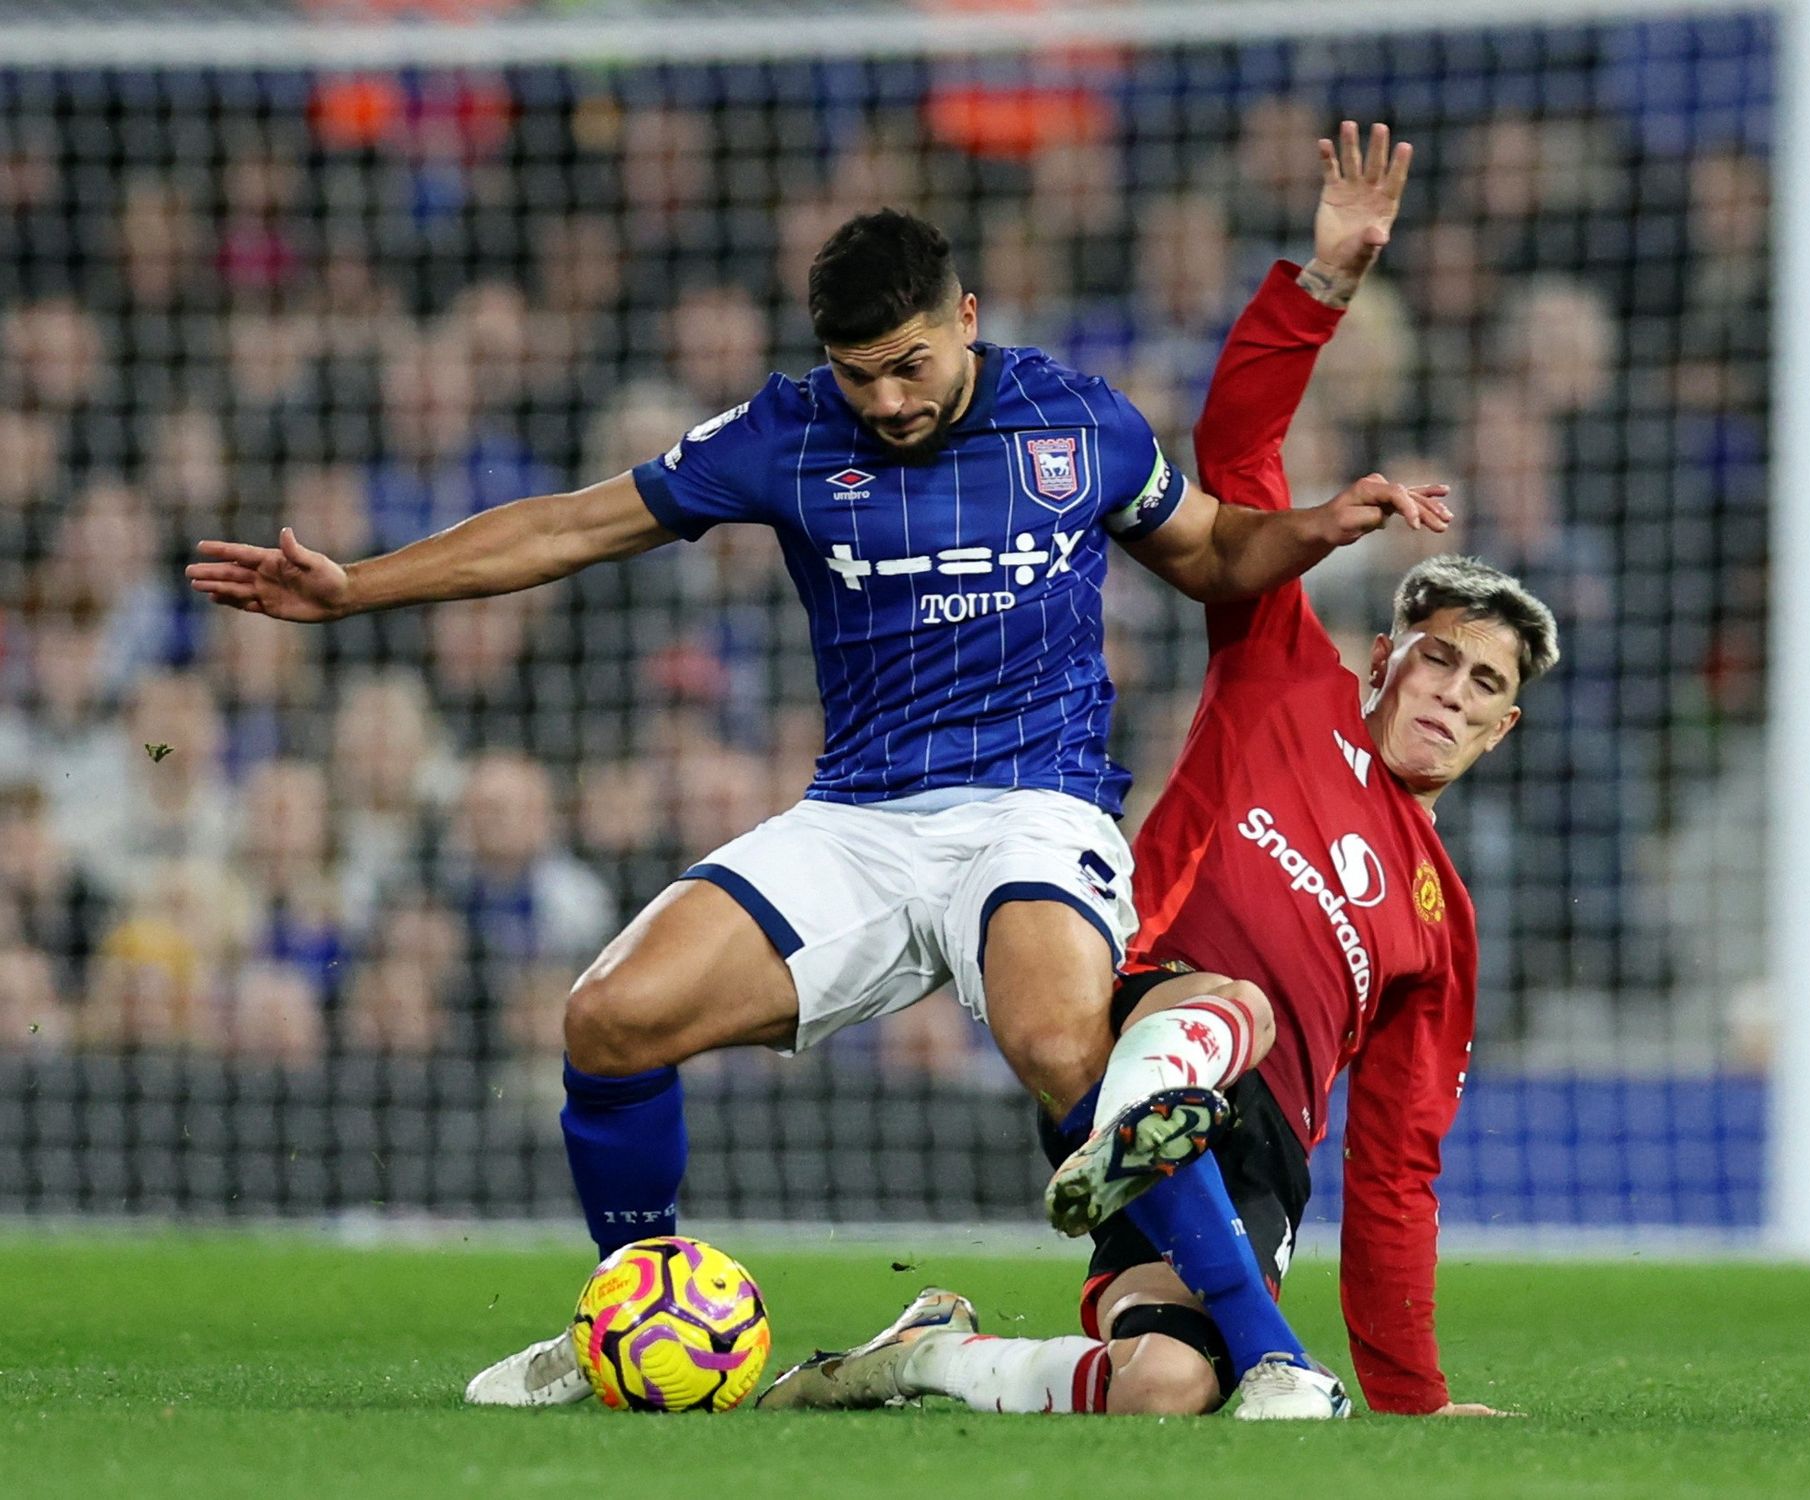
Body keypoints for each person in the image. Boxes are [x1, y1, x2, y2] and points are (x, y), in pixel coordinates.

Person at [182, 156, 1452, 1408]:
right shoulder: (784, 433)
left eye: (911, 365)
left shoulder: (1077, 422)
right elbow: (574, 523)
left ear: (965, 320)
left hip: (1033, 808)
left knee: (1064, 1041)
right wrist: (361, 587)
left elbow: (1218, 557)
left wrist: (1312, 528)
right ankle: (635, 1315)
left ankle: (1276, 1359)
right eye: (862, 375)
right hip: (858, 818)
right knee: (608, 1020)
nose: (890, 401)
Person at [762, 125, 1553, 1422]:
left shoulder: (1440, 928)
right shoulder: (1281, 673)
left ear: (1501, 731)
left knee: (1165, 1388)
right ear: (1380, 657)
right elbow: (1241, 440)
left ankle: (930, 1357)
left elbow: (1400, 1170)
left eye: (1487, 690)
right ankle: (1140, 1105)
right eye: (1442, 659)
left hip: (1252, 1158)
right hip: (1129, 1012)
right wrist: (1327, 281)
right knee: (1222, 999)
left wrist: (1413, 1403)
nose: (1454, 695)